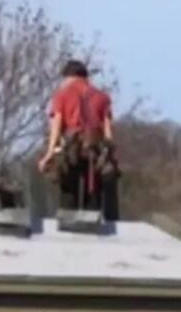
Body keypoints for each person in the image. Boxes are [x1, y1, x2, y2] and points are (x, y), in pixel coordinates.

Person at [38, 60, 120, 219]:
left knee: (68, 189)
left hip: (71, 147)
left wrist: (49, 153)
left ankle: (69, 226)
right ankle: (93, 225)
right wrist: (110, 155)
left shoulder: (62, 95)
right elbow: (108, 131)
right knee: (94, 190)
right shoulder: (103, 97)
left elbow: (57, 124)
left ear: (69, 77)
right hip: (95, 148)